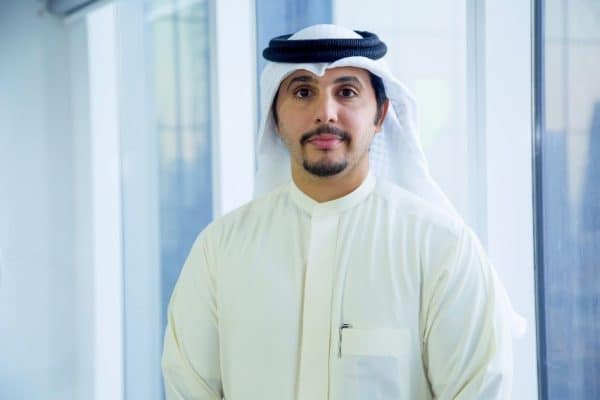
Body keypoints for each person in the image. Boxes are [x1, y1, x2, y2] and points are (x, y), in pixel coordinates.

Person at [162, 24, 521, 399]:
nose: (325, 113)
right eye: (303, 92)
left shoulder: (442, 249)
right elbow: (187, 389)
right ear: (275, 117)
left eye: (346, 92)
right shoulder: (220, 251)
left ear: (381, 115)